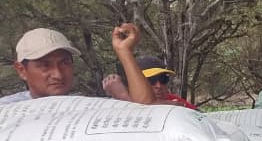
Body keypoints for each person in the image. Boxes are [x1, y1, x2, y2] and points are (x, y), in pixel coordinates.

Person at [3, 24, 152, 105]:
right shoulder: (8, 112)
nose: (58, 74)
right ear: (21, 70)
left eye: (64, 63)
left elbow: (147, 112)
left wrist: (124, 51)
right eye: (45, 65)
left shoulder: (87, 107)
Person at [104, 55, 197, 108]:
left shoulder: (172, 99)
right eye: (150, 80)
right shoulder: (116, 106)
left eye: (163, 79)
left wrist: (124, 97)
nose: (158, 85)